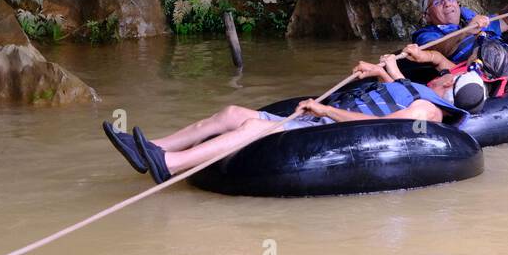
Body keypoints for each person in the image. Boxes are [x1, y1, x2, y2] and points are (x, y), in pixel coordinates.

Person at [102, 54, 478, 183]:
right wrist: (378, 71)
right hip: (324, 121)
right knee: (232, 112)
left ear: (450, 86)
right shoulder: (420, 91)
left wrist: (325, 109)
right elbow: (397, 82)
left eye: (449, 75)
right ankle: (151, 147)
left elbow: (383, 127)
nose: (444, 72)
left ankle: (169, 165)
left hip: (331, 131)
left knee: (253, 127)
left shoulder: (429, 110)